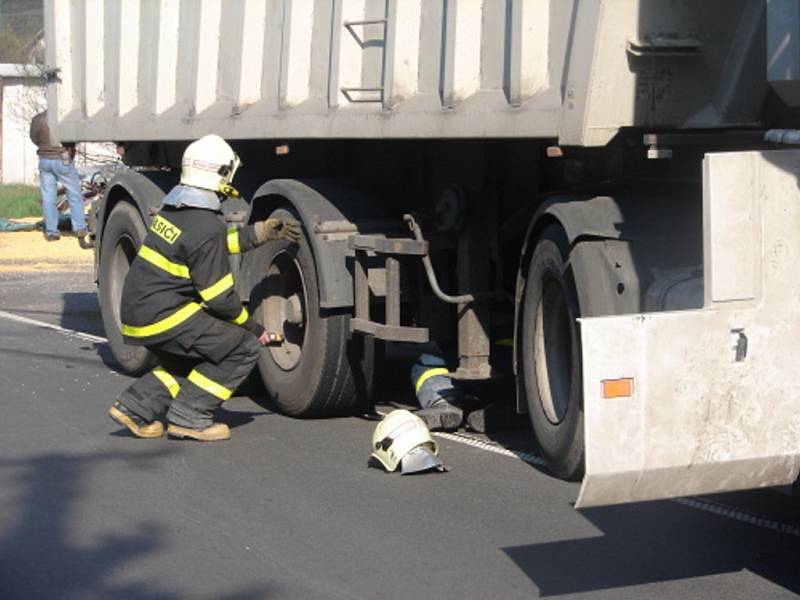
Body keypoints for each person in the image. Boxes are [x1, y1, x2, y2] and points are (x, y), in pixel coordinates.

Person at [108, 134, 301, 441]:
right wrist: (253, 329)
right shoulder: (206, 225)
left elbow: (206, 249)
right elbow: (220, 300)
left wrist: (260, 233)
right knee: (240, 347)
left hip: (139, 310)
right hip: (163, 314)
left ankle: (134, 408)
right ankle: (191, 416)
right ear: (222, 174)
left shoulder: (177, 211)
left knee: (190, 356)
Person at [29, 110, 88, 243]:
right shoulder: (66, 117)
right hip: (63, 158)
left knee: (48, 196)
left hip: (44, 158)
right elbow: (75, 137)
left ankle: (51, 232)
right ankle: (79, 228)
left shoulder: (38, 119)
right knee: (74, 194)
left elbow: (33, 138)